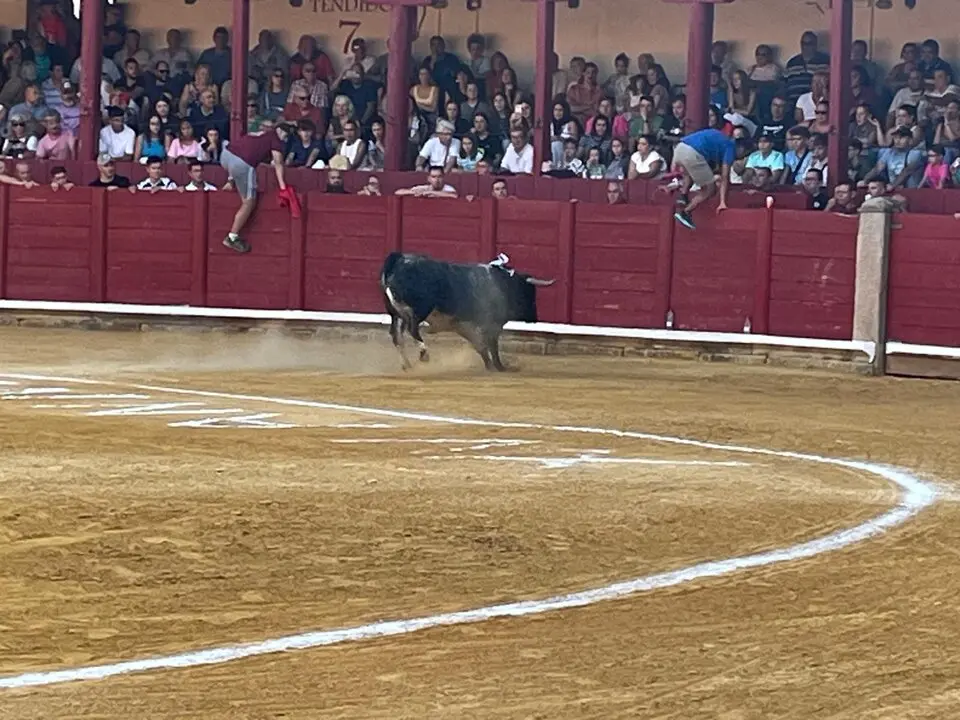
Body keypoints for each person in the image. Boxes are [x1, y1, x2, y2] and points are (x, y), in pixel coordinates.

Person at [219, 123, 293, 253]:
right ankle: (232, 237)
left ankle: (231, 181)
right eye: (285, 135)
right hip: (242, 163)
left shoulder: (261, 133)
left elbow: (244, 146)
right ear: (279, 130)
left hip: (225, 155)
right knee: (249, 202)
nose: (284, 139)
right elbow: (278, 163)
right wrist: (283, 187)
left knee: (242, 172)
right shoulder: (275, 139)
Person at [665, 128, 735, 229]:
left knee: (690, 171)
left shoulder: (717, 137)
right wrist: (722, 202)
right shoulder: (730, 146)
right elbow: (725, 176)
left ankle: (683, 195)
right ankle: (686, 212)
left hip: (679, 148)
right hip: (693, 154)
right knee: (709, 189)